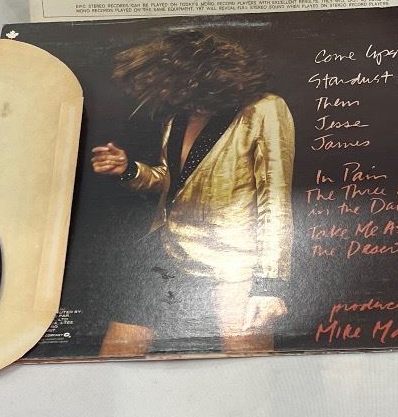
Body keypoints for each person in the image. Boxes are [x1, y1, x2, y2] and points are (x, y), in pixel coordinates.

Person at [88, 29, 295, 356]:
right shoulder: (178, 118)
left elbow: (275, 200)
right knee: (114, 358)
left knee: (247, 369)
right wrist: (127, 169)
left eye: (170, 82)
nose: (165, 92)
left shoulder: (264, 109)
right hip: (168, 253)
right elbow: (175, 183)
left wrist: (270, 285)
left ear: (201, 77)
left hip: (234, 265)